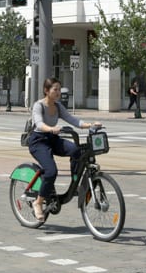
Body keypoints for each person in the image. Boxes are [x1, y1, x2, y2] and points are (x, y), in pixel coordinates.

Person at [27, 77, 101, 221]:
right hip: (39, 141)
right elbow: (39, 123)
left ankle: (75, 183)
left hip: (53, 139)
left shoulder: (58, 106)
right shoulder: (38, 106)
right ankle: (38, 202)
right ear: (46, 91)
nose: (58, 92)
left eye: (59, 89)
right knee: (51, 171)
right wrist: (51, 129)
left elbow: (73, 120)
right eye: (55, 89)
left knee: (76, 151)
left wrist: (91, 125)